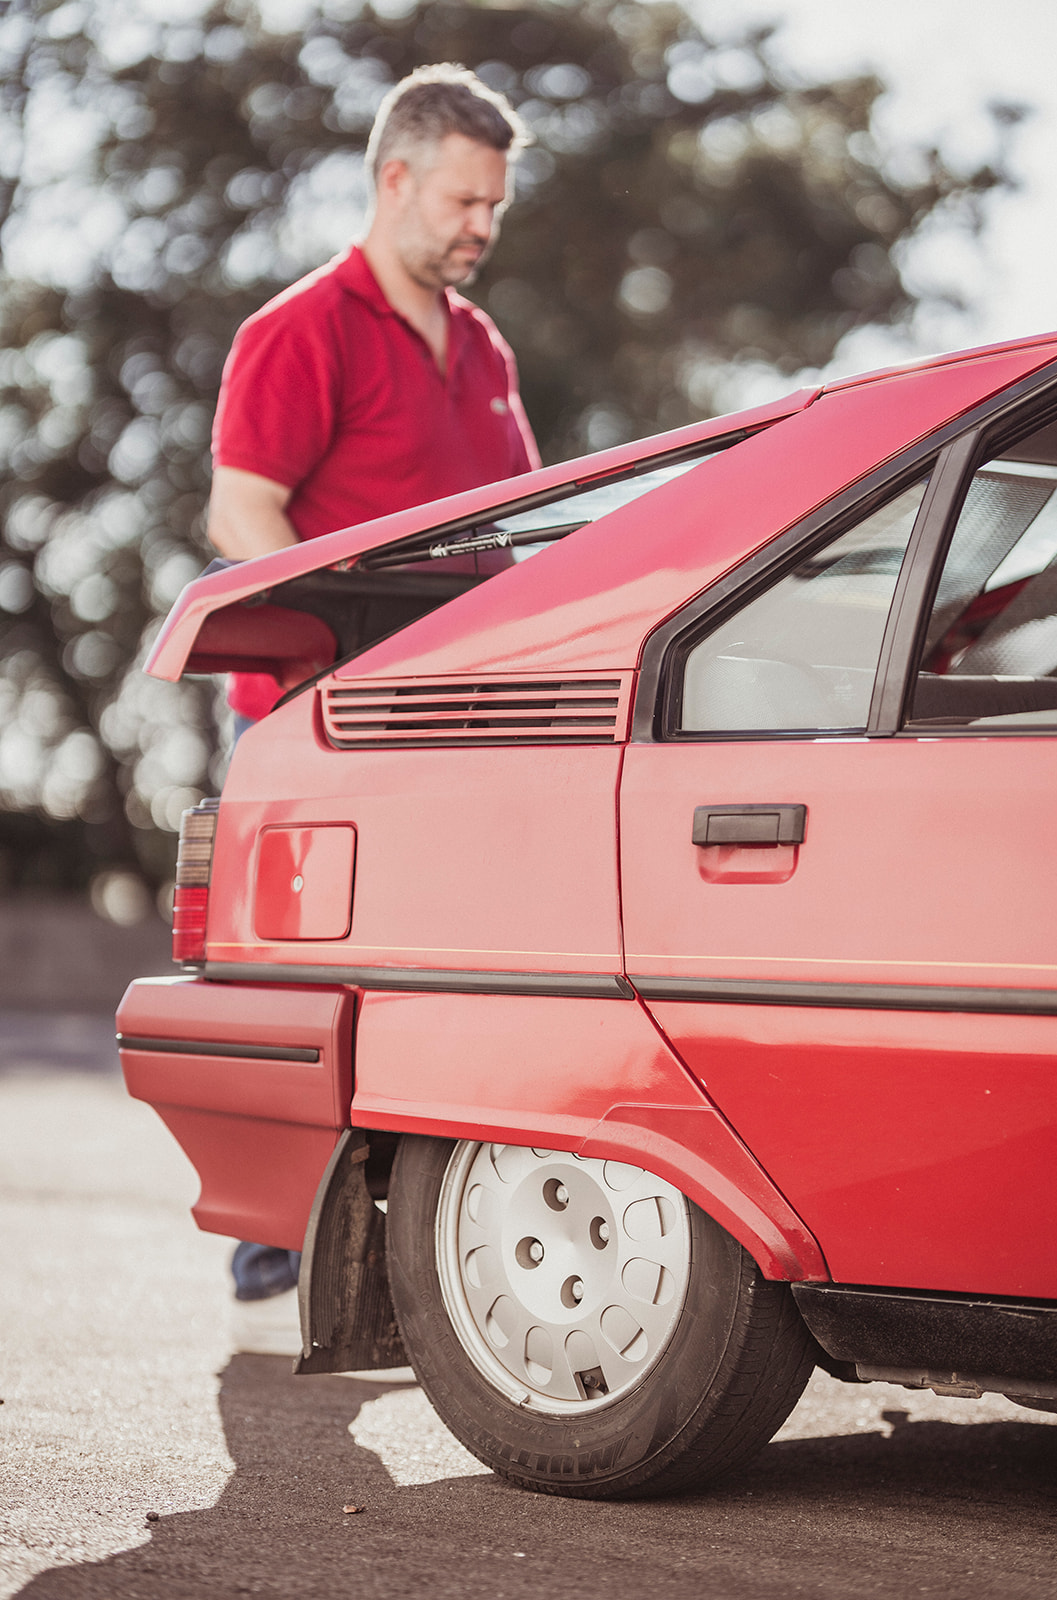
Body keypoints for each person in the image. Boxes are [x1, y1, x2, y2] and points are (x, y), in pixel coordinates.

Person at [206, 63, 539, 1351]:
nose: (481, 227)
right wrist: (332, 663)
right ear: (393, 180)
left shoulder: (486, 349)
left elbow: (508, 539)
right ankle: (271, 1240)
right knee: (305, 988)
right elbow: (242, 511)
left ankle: (395, 1243)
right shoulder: (303, 329)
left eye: (496, 208)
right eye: (465, 200)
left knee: (436, 984)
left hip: (451, 729)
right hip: (317, 724)